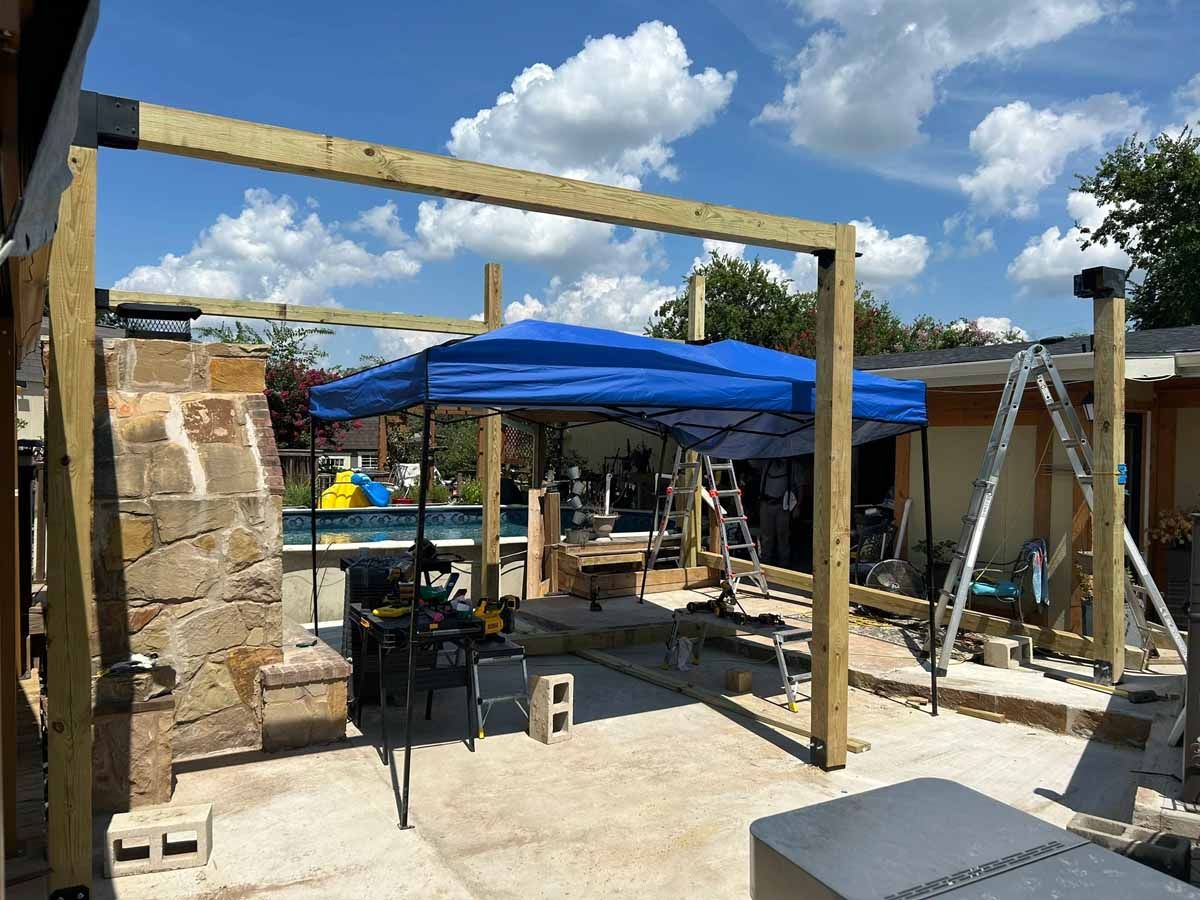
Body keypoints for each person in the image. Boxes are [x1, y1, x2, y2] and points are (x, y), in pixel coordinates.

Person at [758, 458, 808, 567]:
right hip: (766, 504)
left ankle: (783, 565)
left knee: (783, 536)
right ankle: (765, 563)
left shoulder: (794, 466)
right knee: (766, 536)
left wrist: (798, 506)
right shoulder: (767, 462)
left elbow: (800, 487)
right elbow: (752, 462)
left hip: (783, 506)